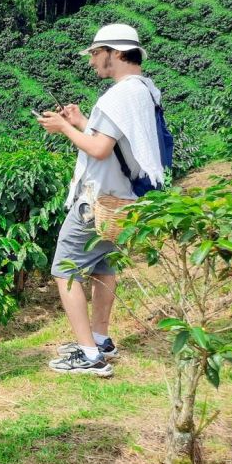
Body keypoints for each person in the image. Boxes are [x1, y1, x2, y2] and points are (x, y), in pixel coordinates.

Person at [38, 23, 165, 376]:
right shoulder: (145, 90)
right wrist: (81, 122)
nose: (92, 61)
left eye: (96, 53)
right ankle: (100, 338)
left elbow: (98, 149)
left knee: (65, 269)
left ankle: (88, 354)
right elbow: (115, 145)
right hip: (123, 199)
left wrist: (65, 129)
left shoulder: (117, 96)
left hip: (97, 202)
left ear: (116, 52)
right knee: (104, 268)